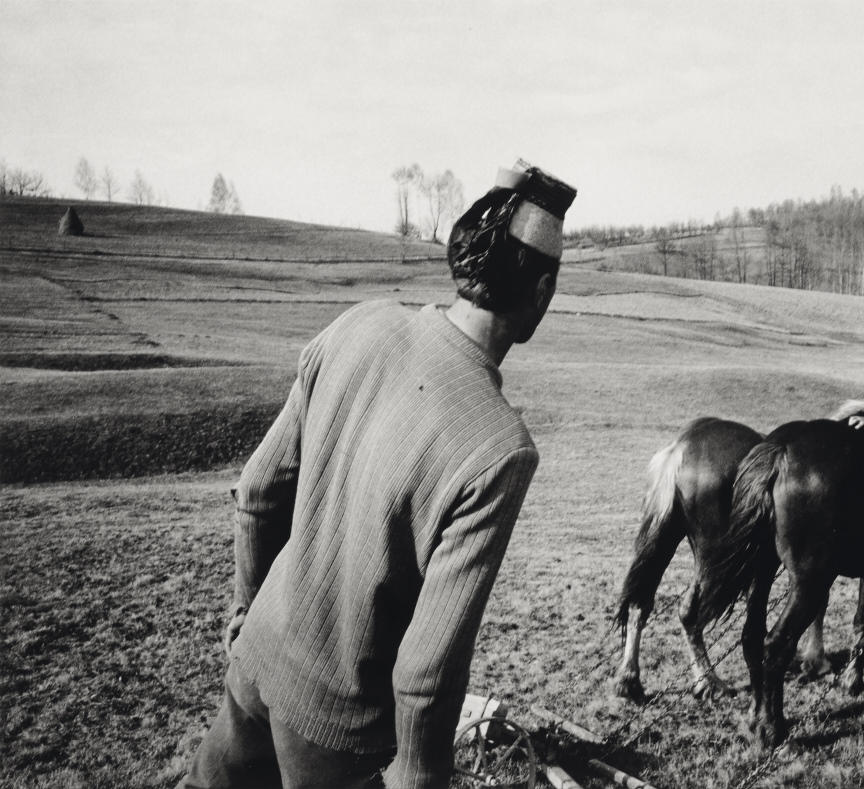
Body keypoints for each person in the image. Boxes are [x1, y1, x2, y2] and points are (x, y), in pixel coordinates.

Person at [179, 162, 576, 789]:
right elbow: (426, 670)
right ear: (542, 291)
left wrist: (246, 612)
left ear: (466, 260)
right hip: (337, 730)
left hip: (254, 664)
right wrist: (418, 779)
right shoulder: (500, 449)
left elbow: (257, 492)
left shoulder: (361, 323)